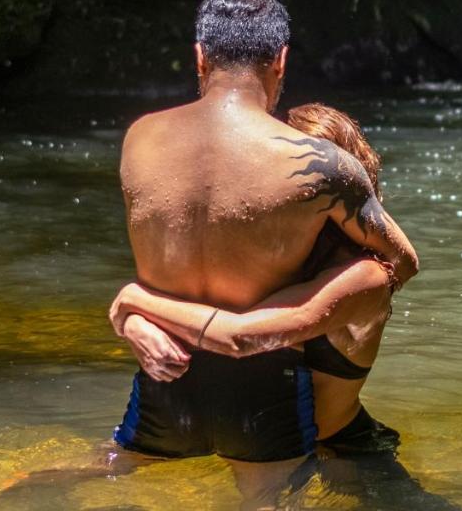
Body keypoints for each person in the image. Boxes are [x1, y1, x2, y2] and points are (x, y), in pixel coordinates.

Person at [107, 0, 419, 508]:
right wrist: (316, 299)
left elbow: (167, 257)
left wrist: (132, 311)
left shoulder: (140, 137)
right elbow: (403, 260)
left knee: (110, 483)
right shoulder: (322, 165)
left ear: (200, 57)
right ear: (281, 60)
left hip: (164, 375)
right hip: (264, 398)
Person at [110, 102, 401, 455]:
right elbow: (197, 313)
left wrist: (131, 304)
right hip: (272, 438)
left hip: (347, 451)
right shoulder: (272, 260)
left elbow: (237, 337)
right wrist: (137, 325)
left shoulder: (365, 276)